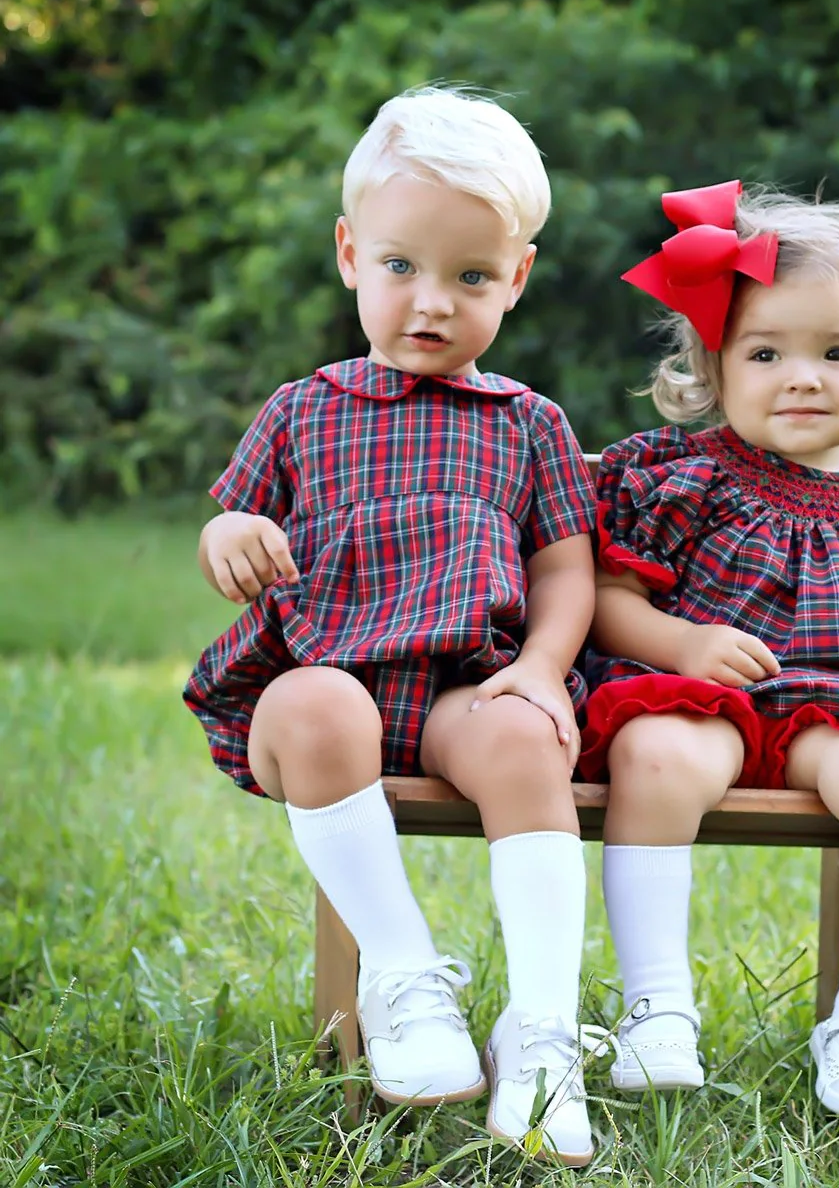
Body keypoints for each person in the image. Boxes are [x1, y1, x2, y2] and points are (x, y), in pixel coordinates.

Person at [183, 87, 603, 1167]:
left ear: (517, 278)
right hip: (328, 694)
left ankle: (542, 1031)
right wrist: (232, 535)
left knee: (525, 737)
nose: (431, 302)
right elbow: (230, 523)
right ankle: (404, 973)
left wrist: (543, 668)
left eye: (471, 277)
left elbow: (565, 569)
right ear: (349, 255)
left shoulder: (528, 424)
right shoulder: (302, 409)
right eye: (401, 266)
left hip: (463, 687)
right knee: (317, 703)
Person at [578, 180, 839, 1133]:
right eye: (765, 353)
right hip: (701, 699)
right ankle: (656, 1004)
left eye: (837, 352)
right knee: (656, 753)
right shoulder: (683, 478)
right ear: (716, 365)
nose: (801, 378)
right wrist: (684, 643)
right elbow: (606, 601)